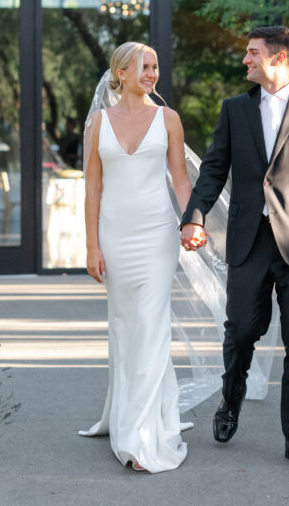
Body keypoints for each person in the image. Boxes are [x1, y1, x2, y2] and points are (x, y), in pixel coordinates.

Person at [181, 25, 289, 470]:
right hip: (247, 241)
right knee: (241, 330)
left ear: (278, 59)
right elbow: (214, 169)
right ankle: (231, 398)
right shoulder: (234, 110)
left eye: (252, 53)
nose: (245, 60)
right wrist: (194, 216)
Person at [79, 42, 196, 473]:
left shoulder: (169, 120)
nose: (152, 73)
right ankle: (137, 410)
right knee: (126, 326)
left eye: (156, 67)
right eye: (144, 67)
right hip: (114, 235)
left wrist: (192, 221)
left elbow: (180, 179)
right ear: (121, 72)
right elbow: (92, 187)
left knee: (151, 324)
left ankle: (140, 438)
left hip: (156, 235)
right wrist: (91, 244)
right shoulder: (97, 122)